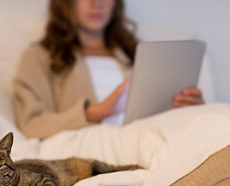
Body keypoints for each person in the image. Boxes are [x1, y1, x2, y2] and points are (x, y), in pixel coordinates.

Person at [13, 0, 205, 139]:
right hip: (93, 142)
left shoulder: (138, 54)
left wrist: (190, 107)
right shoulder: (40, 57)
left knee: (214, 120)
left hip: (147, 135)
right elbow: (31, 125)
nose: (97, 3)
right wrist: (95, 112)